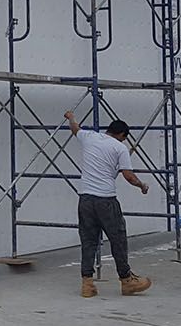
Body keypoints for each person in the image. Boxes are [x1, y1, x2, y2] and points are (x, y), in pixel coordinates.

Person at [62, 111, 152, 297]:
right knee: (117, 238)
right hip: (106, 200)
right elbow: (128, 176)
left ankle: (87, 284)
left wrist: (71, 117)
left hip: (85, 199)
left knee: (88, 240)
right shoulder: (120, 148)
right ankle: (127, 280)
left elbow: (75, 128)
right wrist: (142, 185)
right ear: (122, 136)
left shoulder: (90, 137)